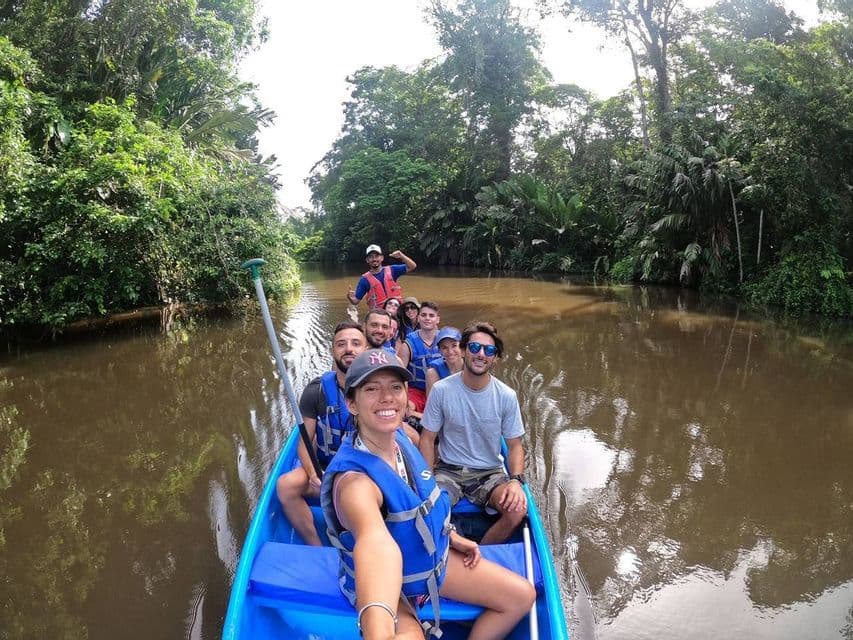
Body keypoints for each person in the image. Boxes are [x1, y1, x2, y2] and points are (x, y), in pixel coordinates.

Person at [320, 349, 535, 640]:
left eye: (395, 387)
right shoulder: (355, 485)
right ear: (352, 403)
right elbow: (376, 547)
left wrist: (451, 536)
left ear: (406, 396)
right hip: (394, 588)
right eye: (372, 389)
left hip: (431, 561)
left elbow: (422, 505)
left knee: (521, 596)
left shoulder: (401, 438)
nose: (386, 398)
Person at [419, 321, 527, 545]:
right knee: (429, 509)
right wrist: (426, 480)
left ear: (495, 358)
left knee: (517, 510)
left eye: (489, 350)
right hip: (449, 470)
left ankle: (481, 553)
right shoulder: (441, 390)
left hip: (489, 472)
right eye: (475, 347)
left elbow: (515, 445)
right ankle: (451, 547)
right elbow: (428, 440)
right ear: (464, 350)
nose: (481, 354)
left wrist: (515, 481)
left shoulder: (506, 396)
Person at [275, 321, 367, 546]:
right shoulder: (315, 390)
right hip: (325, 471)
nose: (349, 349)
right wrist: (314, 474)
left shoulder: (375, 388)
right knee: (285, 485)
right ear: (332, 350)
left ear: (366, 350)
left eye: (356, 343)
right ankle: (315, 544)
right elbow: (305, 442)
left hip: (364, 474)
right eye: (341, 344)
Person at [396, 301, 440, 414]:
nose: (427, 318)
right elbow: (399, 375)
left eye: (431, 315)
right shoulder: (408, 345)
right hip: (416, 391)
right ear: (418, 318)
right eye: (424, 315)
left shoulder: (445, 340)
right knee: (408, 409)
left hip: (441, 389)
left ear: (437, 320)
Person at [347, 245, 417, 310]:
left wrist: (401, 256)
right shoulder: (364, 280)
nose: (374, 259)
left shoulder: (393, 270)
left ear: (382, 258)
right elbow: (356, 301)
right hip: (379, 315)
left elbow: (412, 266)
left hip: (395, 311)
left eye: (376, 256)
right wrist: (350, 298)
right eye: (371, 257)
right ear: (367, 260)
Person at [425, 326, 463, 397]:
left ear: (462, 346)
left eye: (454, 345)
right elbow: (432, 404)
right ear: (439, 350)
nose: (450, 352)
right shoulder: (433, 373)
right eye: (444, 347)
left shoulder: (470, 367)